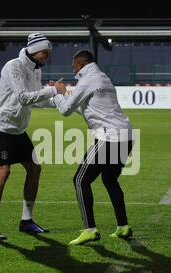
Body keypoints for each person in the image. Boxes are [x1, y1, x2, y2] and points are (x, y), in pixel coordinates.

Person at [0, 33, 66, 240]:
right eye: (45, 53)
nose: (47, 56)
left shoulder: (35, 70)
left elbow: (35, 100)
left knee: (35, 168)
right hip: (1, 126)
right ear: (34, 50)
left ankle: (26, 221)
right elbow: (23, 97)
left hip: (18, 129)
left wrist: (58, 100)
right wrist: (52, 90)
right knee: (3, 173)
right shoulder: (14, 66)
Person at [53, 50, 134, 245]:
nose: (72, 67)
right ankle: (123, 227)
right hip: (126, 135)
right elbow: (87, 109)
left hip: (109, 137)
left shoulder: (87, 80)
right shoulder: (102, 77)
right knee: (109, 179)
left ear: (80, 64)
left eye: (74, 64)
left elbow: (65, 110)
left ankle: (89, 229)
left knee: (80, 179)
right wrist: (64, 96)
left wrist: (58, 94)